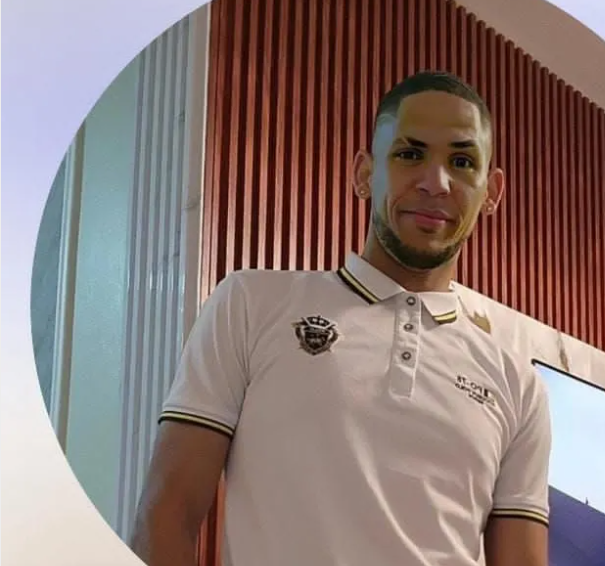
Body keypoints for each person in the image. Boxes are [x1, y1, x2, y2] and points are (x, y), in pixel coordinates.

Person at [130, 70, 551, 566]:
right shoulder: (250, 303)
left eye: (461, 162)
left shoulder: (519, 386)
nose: (435, 183)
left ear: (492, 191)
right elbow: (167, 515)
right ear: (363, 173)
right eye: (410, 154)